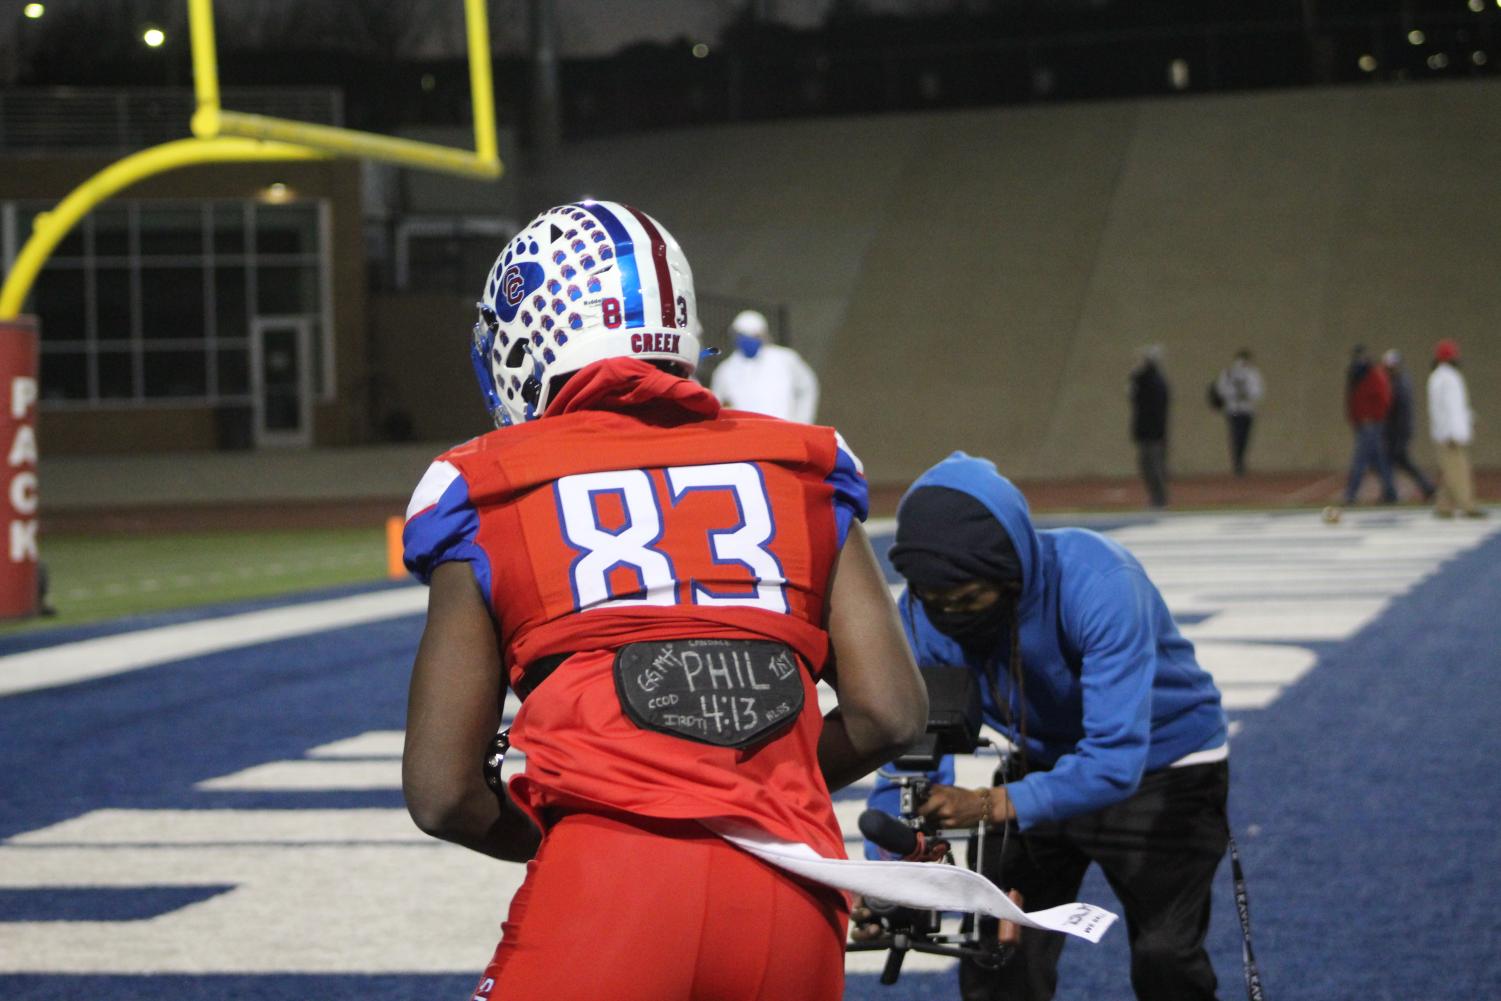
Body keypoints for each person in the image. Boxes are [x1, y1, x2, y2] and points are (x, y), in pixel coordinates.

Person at [400, 201, 928, 1001]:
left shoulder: (486, 483)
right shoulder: (802, 465)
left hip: (611, 883)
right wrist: (738, 790)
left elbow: (442, 791)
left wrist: (582, 822)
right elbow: (890, 711)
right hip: (792, 889)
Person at [862, 452, 1230, 1001]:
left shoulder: (1101, 583)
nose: (950, 615)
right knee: (996, 950)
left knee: (1164, 959)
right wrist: (890, 882)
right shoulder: (920, 612)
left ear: (1012, 572)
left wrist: (986, 805)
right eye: (935, 601)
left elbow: (1113, 763)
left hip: (1165, 762)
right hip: (1043, 759)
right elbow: (909, 754)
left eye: (966, 599)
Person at [708, 309, 820, 422]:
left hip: (784, 430)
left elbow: (807, 387)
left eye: (754, 336)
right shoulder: (725, 370)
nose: (749, 340)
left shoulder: (785, 359)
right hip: (747, 435)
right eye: (744, 335)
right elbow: (717, 407)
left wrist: (803, 422)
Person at [1428, 337, 1484, 518]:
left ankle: (1444, 505)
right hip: (1450, 434)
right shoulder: (1446, 378)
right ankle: (1468, 505)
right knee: (1458, 471)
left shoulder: (1441, 377)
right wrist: (1452, 432)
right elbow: (1448, 408)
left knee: (1450, 471)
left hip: (1448, 432)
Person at [1342, 343, 1396, 505]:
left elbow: (1384, 399)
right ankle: (1391, 492)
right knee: (1378, 460)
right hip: (1362, 423)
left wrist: (1372, 417)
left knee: (1360, 459)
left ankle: (1350, 494)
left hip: (1371, 424)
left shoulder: (1373, 375)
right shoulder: (1356, 376)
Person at [1381, 349, 1436, 501]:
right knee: (1394, 461)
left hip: (1399, 431)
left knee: (1398, 461)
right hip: (1395, 430)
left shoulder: (1401, 383)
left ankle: (1393, 493)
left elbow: (1401, 411)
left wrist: (1401, 433)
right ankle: (1392, 492)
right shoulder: (1394, 381)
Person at [1128, 345, 1170, 508]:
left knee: (1152, 465)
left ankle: (1159, 498)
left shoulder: (1152, 381)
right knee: (1148, 465)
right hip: (1151, 431)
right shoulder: (1152, 380)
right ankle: (1156, 497)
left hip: (1152, 431)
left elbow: (1136, 397)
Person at [1214, 349, 1264, 476]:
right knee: (1236, 434)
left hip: (1247, 410)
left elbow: (1257, 391)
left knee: (1245, 436)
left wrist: (1246, 394)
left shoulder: (1253, 374)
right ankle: (1238, 462)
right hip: (1234, 410)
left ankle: (1241, 460)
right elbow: (1221, 390)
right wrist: (1234, 395)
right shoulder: (1228, 373)